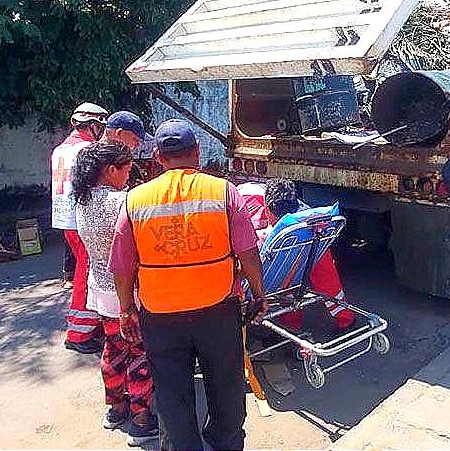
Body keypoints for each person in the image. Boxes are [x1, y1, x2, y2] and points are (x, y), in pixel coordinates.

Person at [110, 119, 267, 451]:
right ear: (196, 152)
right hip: (218, 313)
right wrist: (259, 294)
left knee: (171, 392)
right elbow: (248, 252)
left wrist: (126, 311)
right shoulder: (224, 191)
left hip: (161, 317)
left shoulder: (135, 200)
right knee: (226, 386)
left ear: (156, 156)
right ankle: (225, 443)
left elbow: (122, 267)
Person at [71, 142, 158, 447]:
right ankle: (142, 420)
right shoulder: (122, 202)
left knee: (113, 348)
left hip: (101, 291)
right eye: (127, 169)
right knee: (139, 353)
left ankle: (116, 409)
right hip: (129, 293)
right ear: (110, 170)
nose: (129, 174)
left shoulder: (81, 201)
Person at [237, 180, 356, 331]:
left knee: (307, 252)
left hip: (294, 238)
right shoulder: (245, 209)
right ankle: (292, 323)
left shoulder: (299, 213)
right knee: (291, 261)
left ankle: (295, 323)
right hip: (261, 223)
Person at [51, 102, 108, 354]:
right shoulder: (87, 149)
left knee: (82, 272)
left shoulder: (61, 149)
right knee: (86, 274)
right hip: (81, 219)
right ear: (94, 126)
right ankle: (79, 333)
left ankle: (86, 326)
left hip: (65, 218)